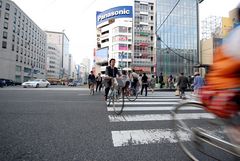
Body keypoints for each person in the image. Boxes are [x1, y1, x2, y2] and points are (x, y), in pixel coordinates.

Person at [200, 3, 240, 145]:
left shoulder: (233, 32)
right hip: (228, 84)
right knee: (234, 124)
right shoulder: (237, 35)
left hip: (227, 82)